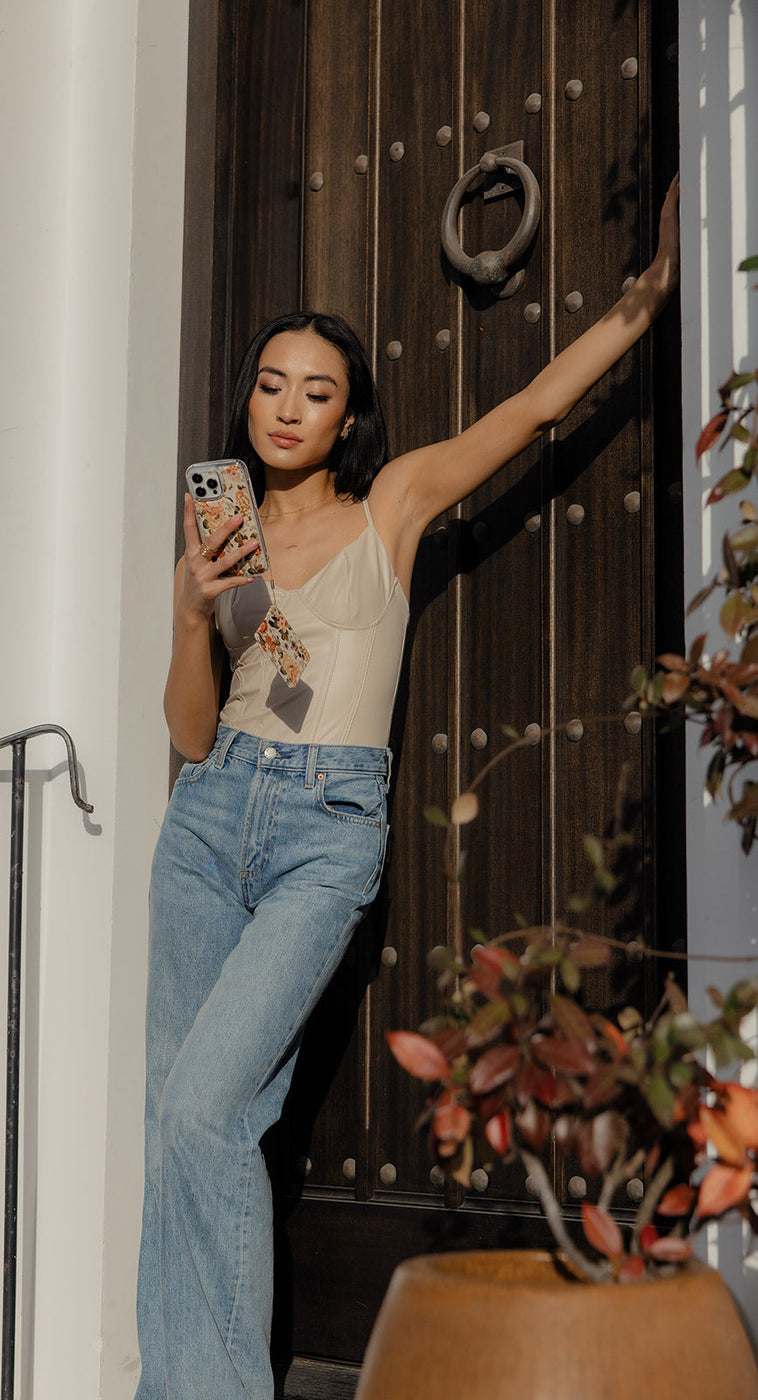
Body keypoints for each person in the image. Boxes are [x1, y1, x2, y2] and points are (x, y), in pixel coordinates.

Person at [136, 176, 680, 1400]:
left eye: (315, 389)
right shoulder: (224, 549)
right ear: (248, 400)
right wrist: (188, 612)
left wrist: (646, 297)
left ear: (347, 418)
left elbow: (533, 408)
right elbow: (187, 733)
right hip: (207, 818)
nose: (287, 406)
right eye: (271, 383)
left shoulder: (391, 507)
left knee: (205, 1111)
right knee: (178, 1127)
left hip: (325, 829)